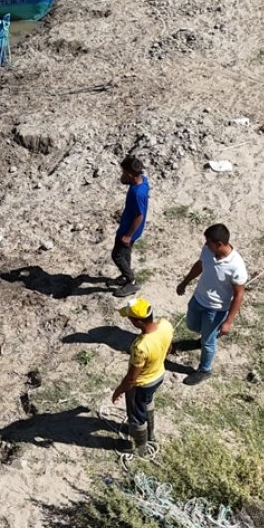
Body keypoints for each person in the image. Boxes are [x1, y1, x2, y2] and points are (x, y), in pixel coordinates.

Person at [176, 224, 247, 385]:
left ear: (219, 244)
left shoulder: (236, 266)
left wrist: (228, 322)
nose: (206, 245)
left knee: (208, 342)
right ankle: (206, 336)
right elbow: (200, 265)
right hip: (198, 299)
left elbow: (239, 295)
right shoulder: (208, 251)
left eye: (208, 242)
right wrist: (185, 282)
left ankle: (205, 370)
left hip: (215, 310)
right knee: (192, 325)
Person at [110, 297, 173, 453]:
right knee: (147, 403)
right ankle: (150, 434)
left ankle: (140, 447)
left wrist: (119, 391)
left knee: (136, 415)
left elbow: (132, 378)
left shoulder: (140, 346)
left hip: (142, 384)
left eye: (130, 318)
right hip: (159, 375)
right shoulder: (165, 325)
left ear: (138, 322)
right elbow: (169, 348)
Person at [110, 155, 149, 298]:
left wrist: (128, 235)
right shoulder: (142, 181)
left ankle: (131, 281)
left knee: (117, 255)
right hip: (133, 229)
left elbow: (139, 216)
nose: (122, 174)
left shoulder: (136, 193)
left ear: (131, 174)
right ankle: (126, 276)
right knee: (125, 254)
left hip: (128, 229)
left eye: (124, 172)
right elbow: (123, 181)